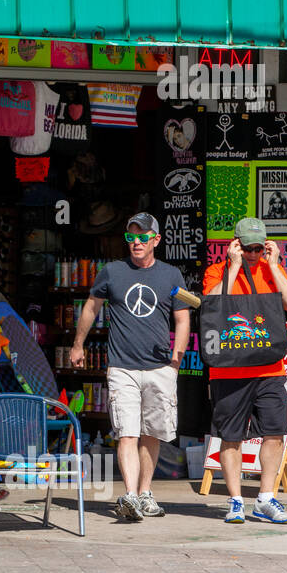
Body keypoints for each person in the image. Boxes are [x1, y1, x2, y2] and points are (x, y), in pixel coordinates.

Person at [71, 213, 190, 522]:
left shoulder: (171, 275)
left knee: (152, 433)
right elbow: (91, 307)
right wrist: (78, 344)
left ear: (156, 240)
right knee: (127, 432)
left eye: (142, 236)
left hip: (160, 366)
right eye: (131, 237)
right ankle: (130, 495)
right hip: (122, 366)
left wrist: (177, 357)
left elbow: (182, 318)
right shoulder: (112, 272)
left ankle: (146, 492)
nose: (136, 242)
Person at [202, 218, 287, 524]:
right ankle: (234, 500)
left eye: (259, 248)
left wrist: (273, 266)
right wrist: (232, 267)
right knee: (230, 437)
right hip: (228, 370)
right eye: (248, 248)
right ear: (236, 245)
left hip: (269, 367)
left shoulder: (270, 268)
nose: (254, 254)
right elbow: (211, 304)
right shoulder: (217, 271)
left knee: (274, 432)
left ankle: (266, 498)